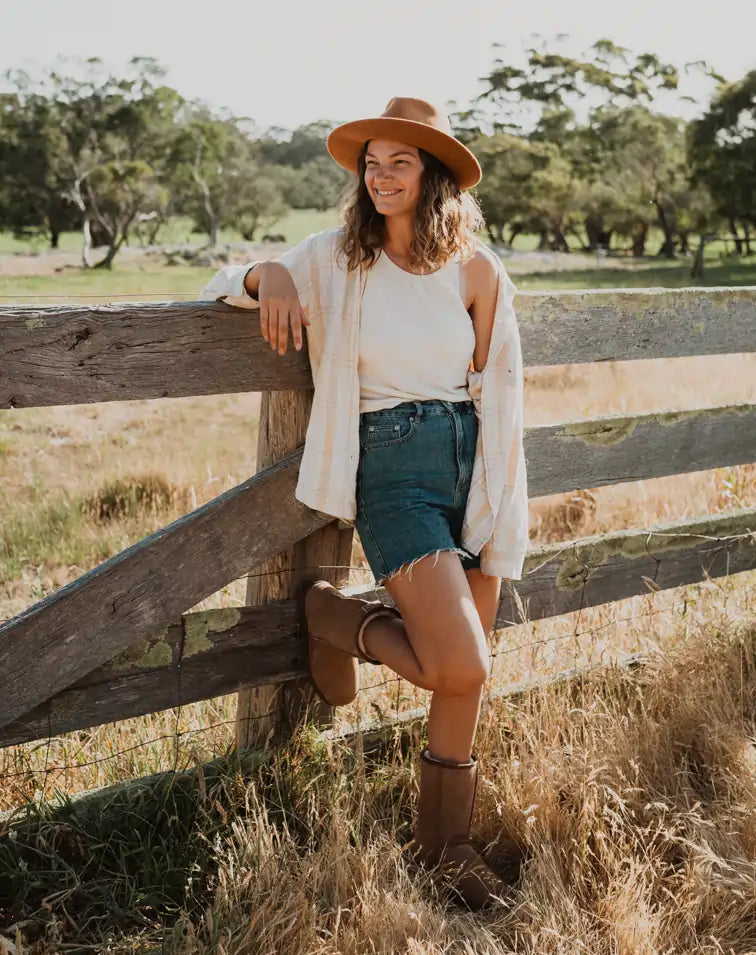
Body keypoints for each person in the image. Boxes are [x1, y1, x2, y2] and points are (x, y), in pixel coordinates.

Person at [201, 97, 529, 910]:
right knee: (462, 661)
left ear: (433, 173)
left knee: (463, 681)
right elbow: (221, 284)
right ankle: (333, 618)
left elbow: (503, 395)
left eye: (400, 163)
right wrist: (265, 272)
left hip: (471, 468)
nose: (381, 178)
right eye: (371, 164)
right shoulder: (338, 259)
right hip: (394, 475)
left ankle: (443, 849)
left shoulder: (478, 271)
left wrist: (498, 510)